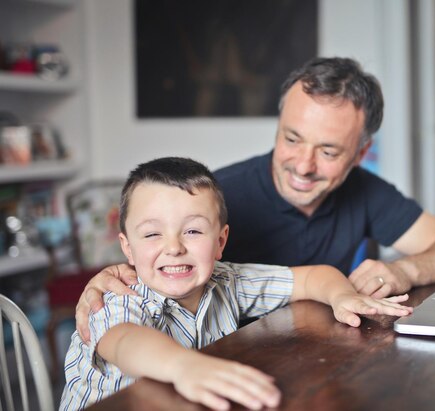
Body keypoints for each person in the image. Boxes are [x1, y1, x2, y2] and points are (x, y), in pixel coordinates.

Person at [75, 57, 435, 343]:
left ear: (359, 154)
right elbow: (157, 265)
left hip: (319, 357)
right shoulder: (215, 199)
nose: (303, 166)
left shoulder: (366, 190)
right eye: (291, 139)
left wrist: (405, 270)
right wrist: (113, 279)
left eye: (329, 151)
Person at [59, 157, 412, 411]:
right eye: (152, 234)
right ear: (127, 248)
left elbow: (312, 276)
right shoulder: (120, 294)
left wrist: (342, 295)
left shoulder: (229, 281)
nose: (174, 247)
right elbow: (123, 341)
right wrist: (185, 366)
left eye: (193, 230)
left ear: (221, 241)